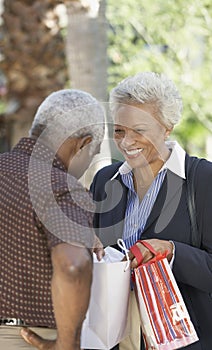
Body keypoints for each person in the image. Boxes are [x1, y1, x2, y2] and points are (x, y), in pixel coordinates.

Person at [90, 72, 212, 350]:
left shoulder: (204, 180)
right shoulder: (105, 181)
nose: (126, 142)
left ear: (166, 127)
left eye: (139, 130)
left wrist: (171, 251)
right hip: (114, 339)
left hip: (182, 341)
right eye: (119, 130)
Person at [0, 89, 105, 350]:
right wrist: (67, 344)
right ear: (82, 143)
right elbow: (72, 266)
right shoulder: (60, 186)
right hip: (24, 339)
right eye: (93, 154)